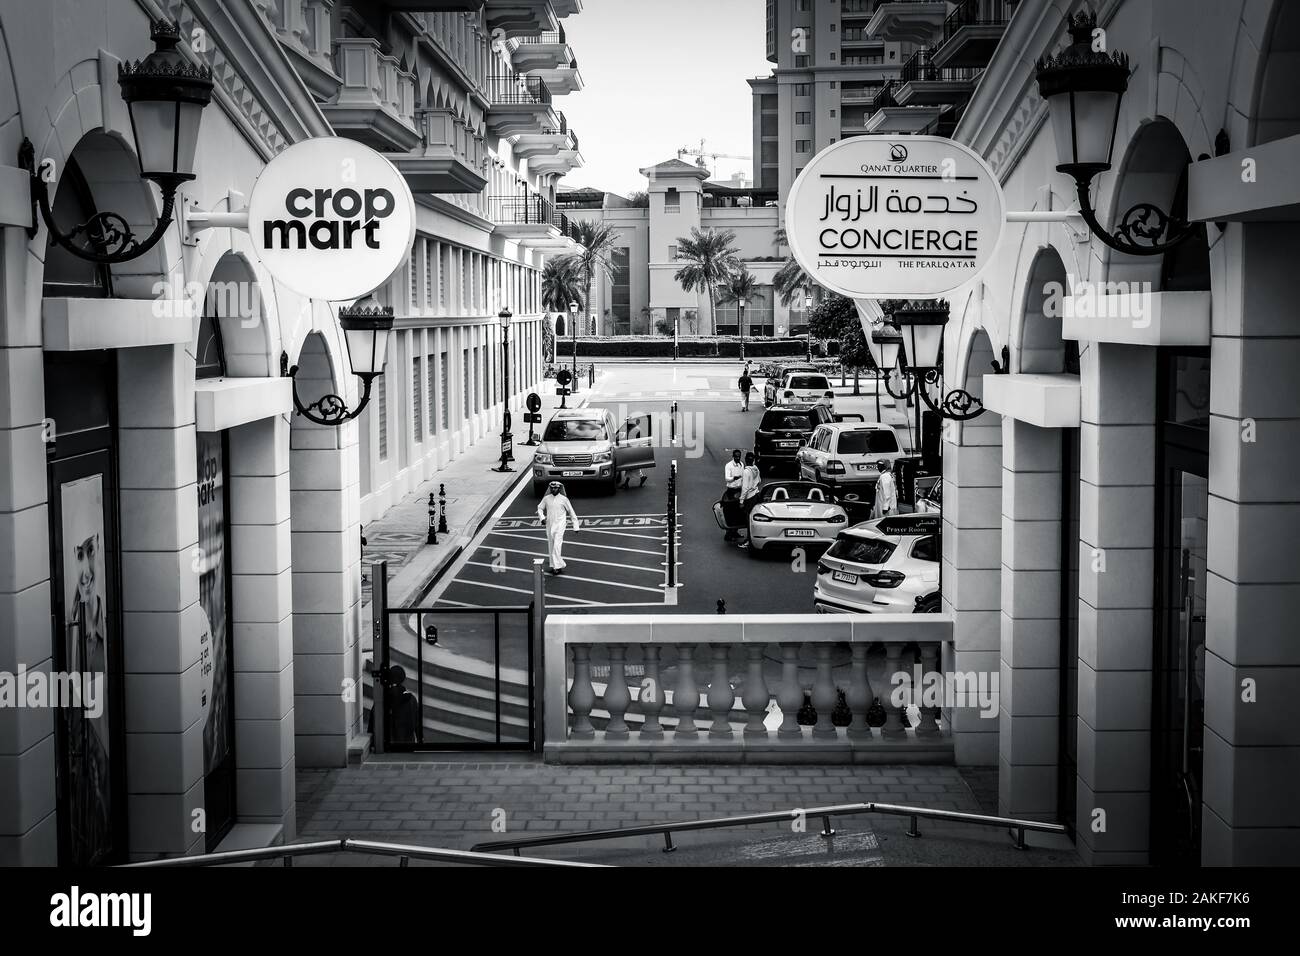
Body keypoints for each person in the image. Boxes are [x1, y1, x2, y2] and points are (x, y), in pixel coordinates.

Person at [536, 481, 580, 573]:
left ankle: (557, 567)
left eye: (555, 488)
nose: (553, 489)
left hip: (560, 525)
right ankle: (555, 565)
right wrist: (542, 518)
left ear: (559, 488)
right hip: (549, 525)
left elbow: (571, 512)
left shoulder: (564, 499)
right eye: (551, 488)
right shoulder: (546, 498)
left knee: (557, 545)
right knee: (551, 546)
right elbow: (540, 508)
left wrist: (575, 526)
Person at [737, 453, 763, 549]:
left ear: (745, 459)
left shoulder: (746, 471)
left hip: (749, 497)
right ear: (753, 460)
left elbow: (745, 488)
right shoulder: (756, 469)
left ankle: (749, 540)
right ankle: (752, 539)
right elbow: (759, 481)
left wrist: (741, 501)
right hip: (756, 494)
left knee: (748, 520)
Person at [722, 449, 745, 540]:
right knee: (730, 512)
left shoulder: (742, 464)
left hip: (739, 490)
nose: (738, 458)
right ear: (733, 456)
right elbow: (727, 478)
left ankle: (735, 532)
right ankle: (728, 534)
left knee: (738, 512)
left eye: (739, 456)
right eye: (736, 456)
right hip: (731, 491)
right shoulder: (728, 465)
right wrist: (734, 478)